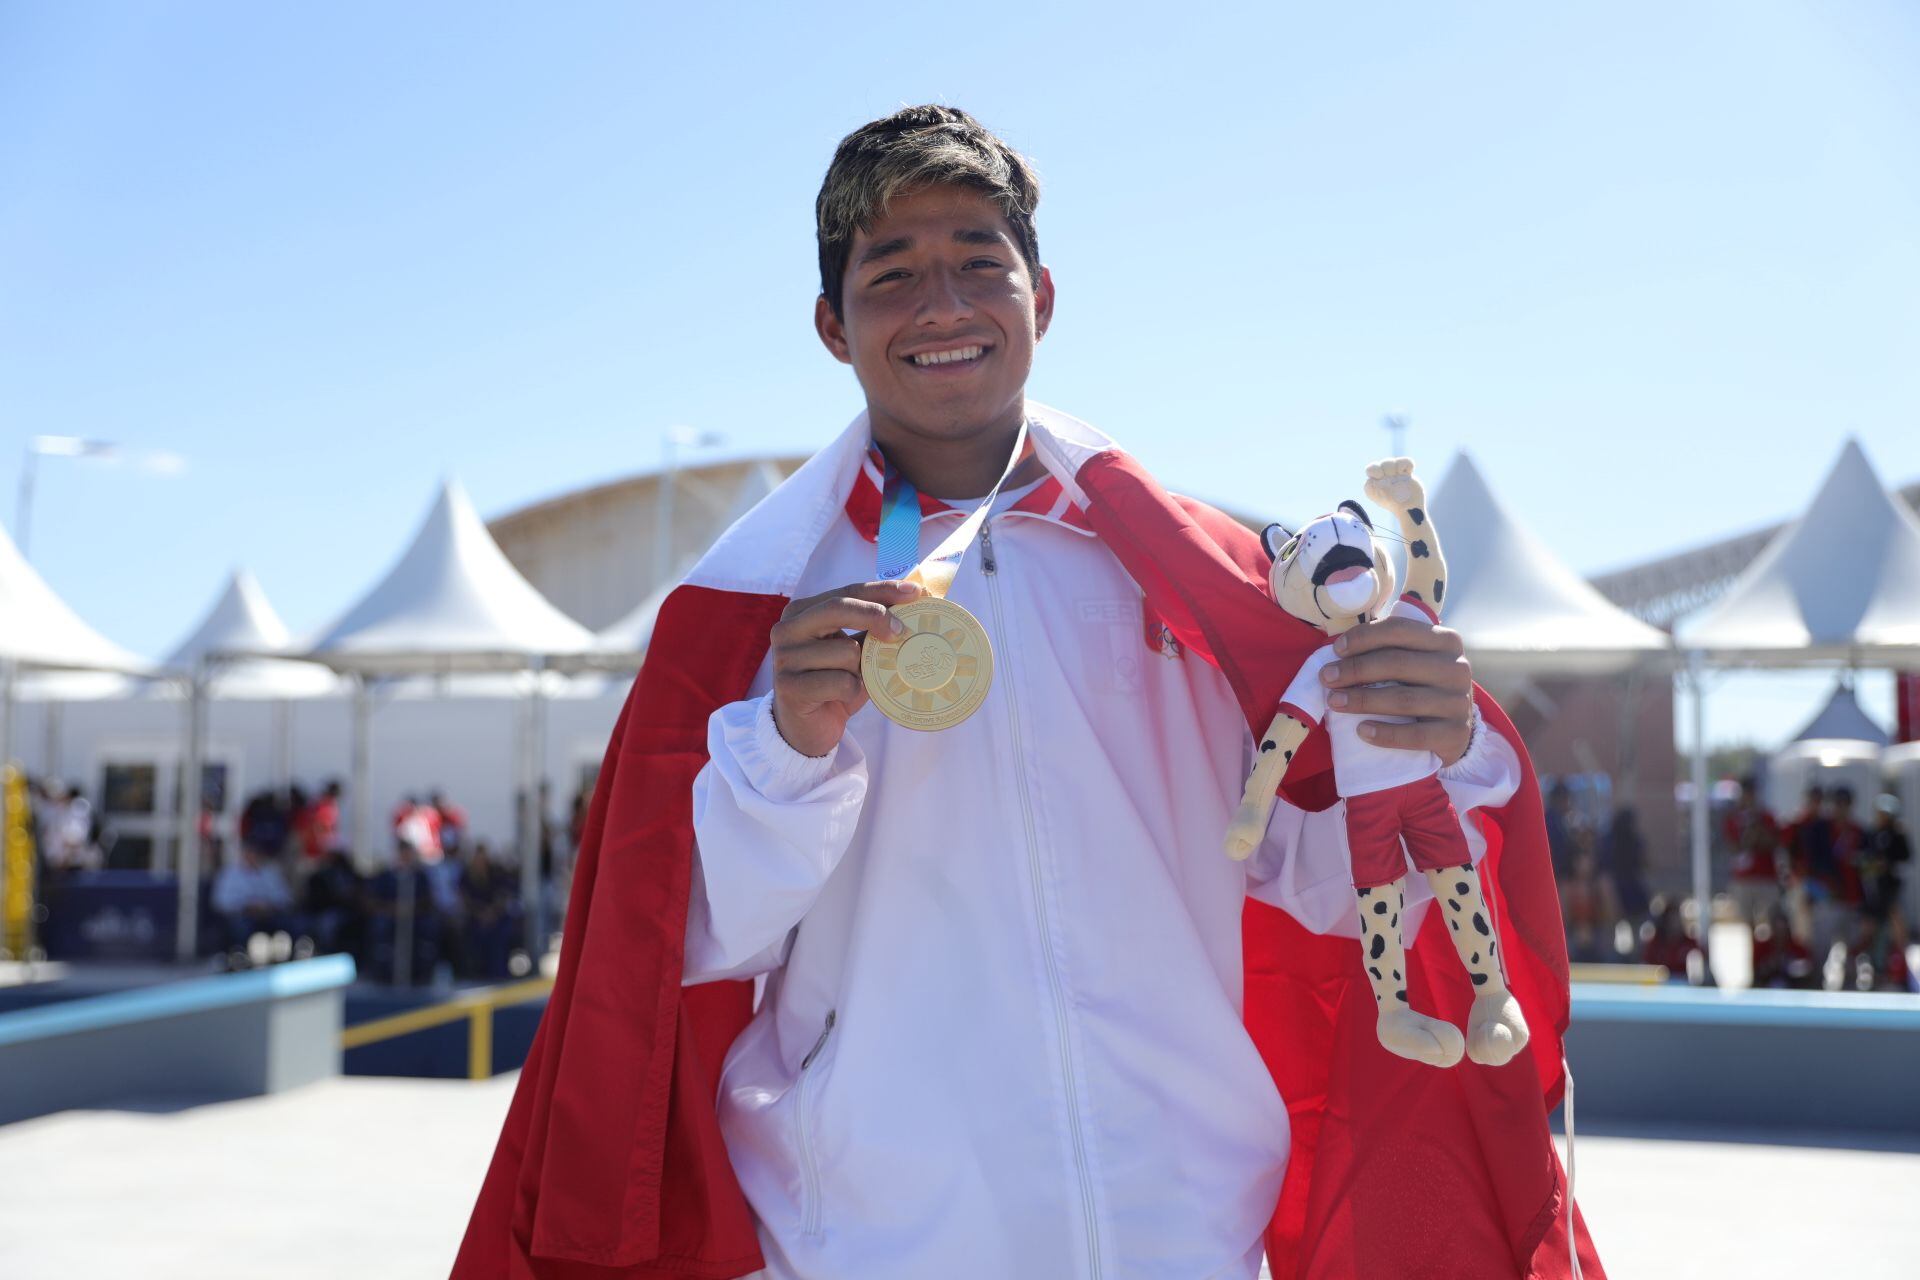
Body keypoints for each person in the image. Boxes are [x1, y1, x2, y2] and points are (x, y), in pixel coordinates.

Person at [455, 106, 1596, 1280]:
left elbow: (1314, 881)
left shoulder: (1205, 579)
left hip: (1183, 1227)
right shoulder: (756, 611)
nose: (941, 304)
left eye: (976, 263)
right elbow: (684, 943)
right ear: (829, 327)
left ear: (1041, 300)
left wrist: (1429, 746)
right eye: (891, 273)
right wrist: (788, 751)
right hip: (867, 1237)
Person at [210, 841, 296, 957]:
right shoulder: (230, 874)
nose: (252, 856)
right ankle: (239, 956)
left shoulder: (270, 873)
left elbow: (286, 898)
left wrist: (268, 906)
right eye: (249, 852)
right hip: (241, 916)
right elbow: (220, 902)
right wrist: (246, 906)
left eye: (256, 853)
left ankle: (290, 955)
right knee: (239, 927)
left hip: (270, 915)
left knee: (289, 923)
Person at [1724, 775, 1783, 924]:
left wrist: (1757, 825)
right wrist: (1750, 838)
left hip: (1766, 878)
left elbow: (1773, 843)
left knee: (1770, 921)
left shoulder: (1767, 817)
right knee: (1747, 923)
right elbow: (1735, 847)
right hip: (1743, 879)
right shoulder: (1733, 819)